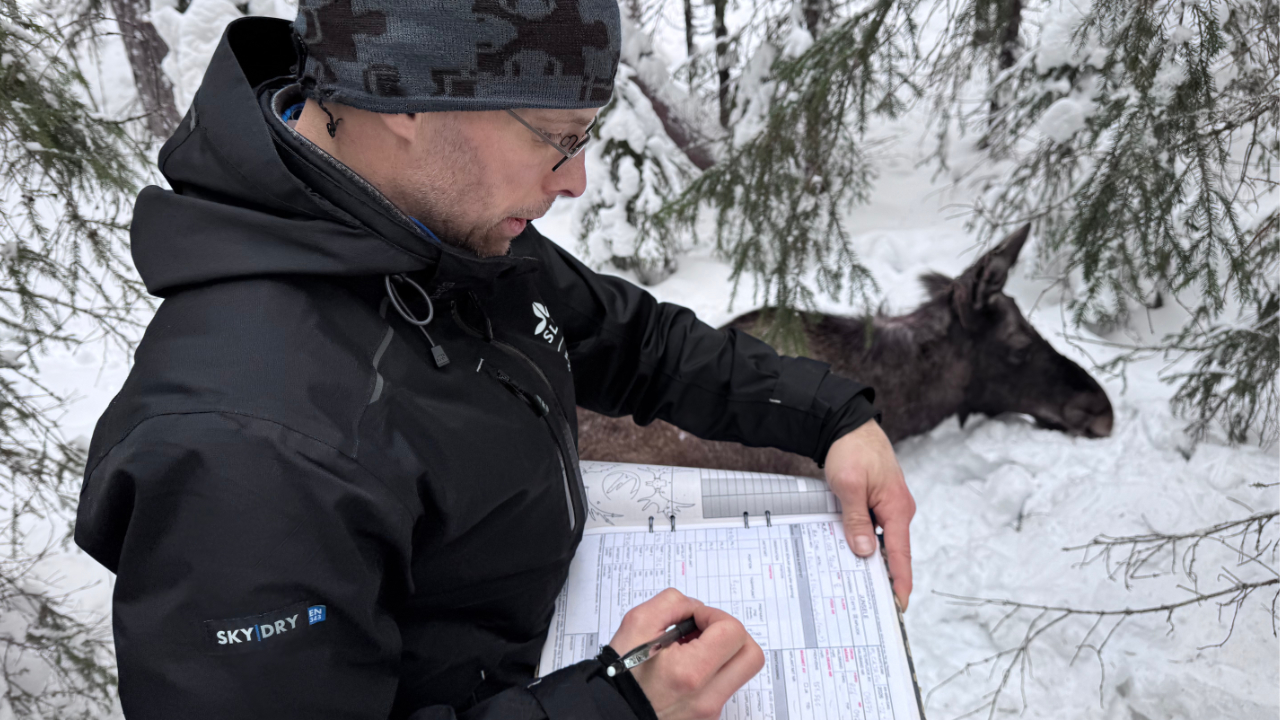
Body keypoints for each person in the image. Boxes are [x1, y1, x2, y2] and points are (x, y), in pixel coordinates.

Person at [74, 3, 915, 719]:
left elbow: (627, 339)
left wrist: (830, 415)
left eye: (587, 133)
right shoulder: (246, 451)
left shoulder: (424, 224)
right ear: (404, 95)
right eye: (556, 136)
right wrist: (616, 706)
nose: (577, 179)